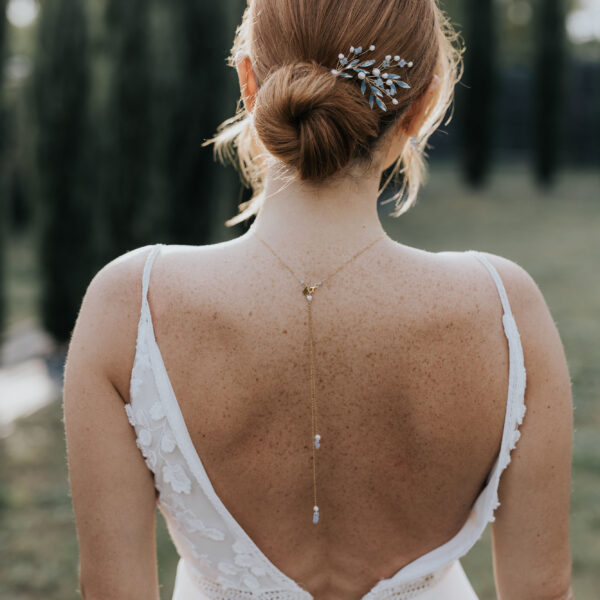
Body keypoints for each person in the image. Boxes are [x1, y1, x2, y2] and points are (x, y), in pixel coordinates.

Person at [63, 1, 574, 599]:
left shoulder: (130, 305)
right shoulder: (505, 309)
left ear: (249, 82)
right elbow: (544, 589)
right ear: (424, 104)